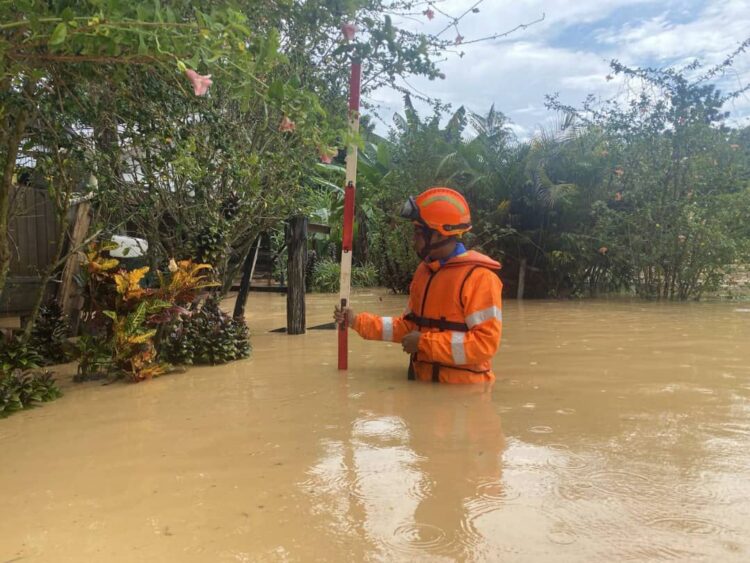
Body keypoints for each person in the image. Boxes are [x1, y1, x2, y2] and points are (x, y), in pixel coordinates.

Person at [334, 187, 503, 384]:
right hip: (423, 388)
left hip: (465, 397)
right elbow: (407, 326)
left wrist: (424, 344)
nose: (413, 239)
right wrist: (356, 321)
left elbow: (485, 345)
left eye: (418, 232)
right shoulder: (425, 272)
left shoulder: (480, 278)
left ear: (439, 235)